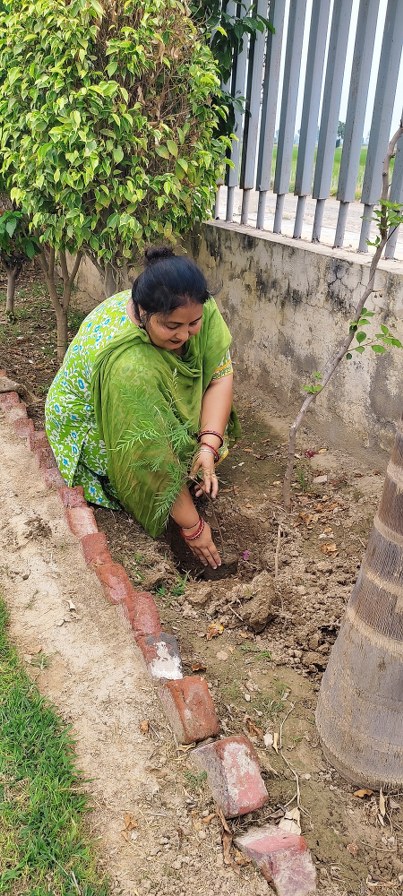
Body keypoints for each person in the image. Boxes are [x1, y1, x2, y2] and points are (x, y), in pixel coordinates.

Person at [45, 247, 239, 569]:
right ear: (143, 312)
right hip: (88, 420)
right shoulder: (128, 366)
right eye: (171, 326)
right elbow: (148, 454)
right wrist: (193, 527)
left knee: (191, 444)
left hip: (141, 395)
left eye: (193, 323)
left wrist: (208, 446)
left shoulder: (194, 305)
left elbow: (220, 376)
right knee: (139, 472)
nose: (184, 334)